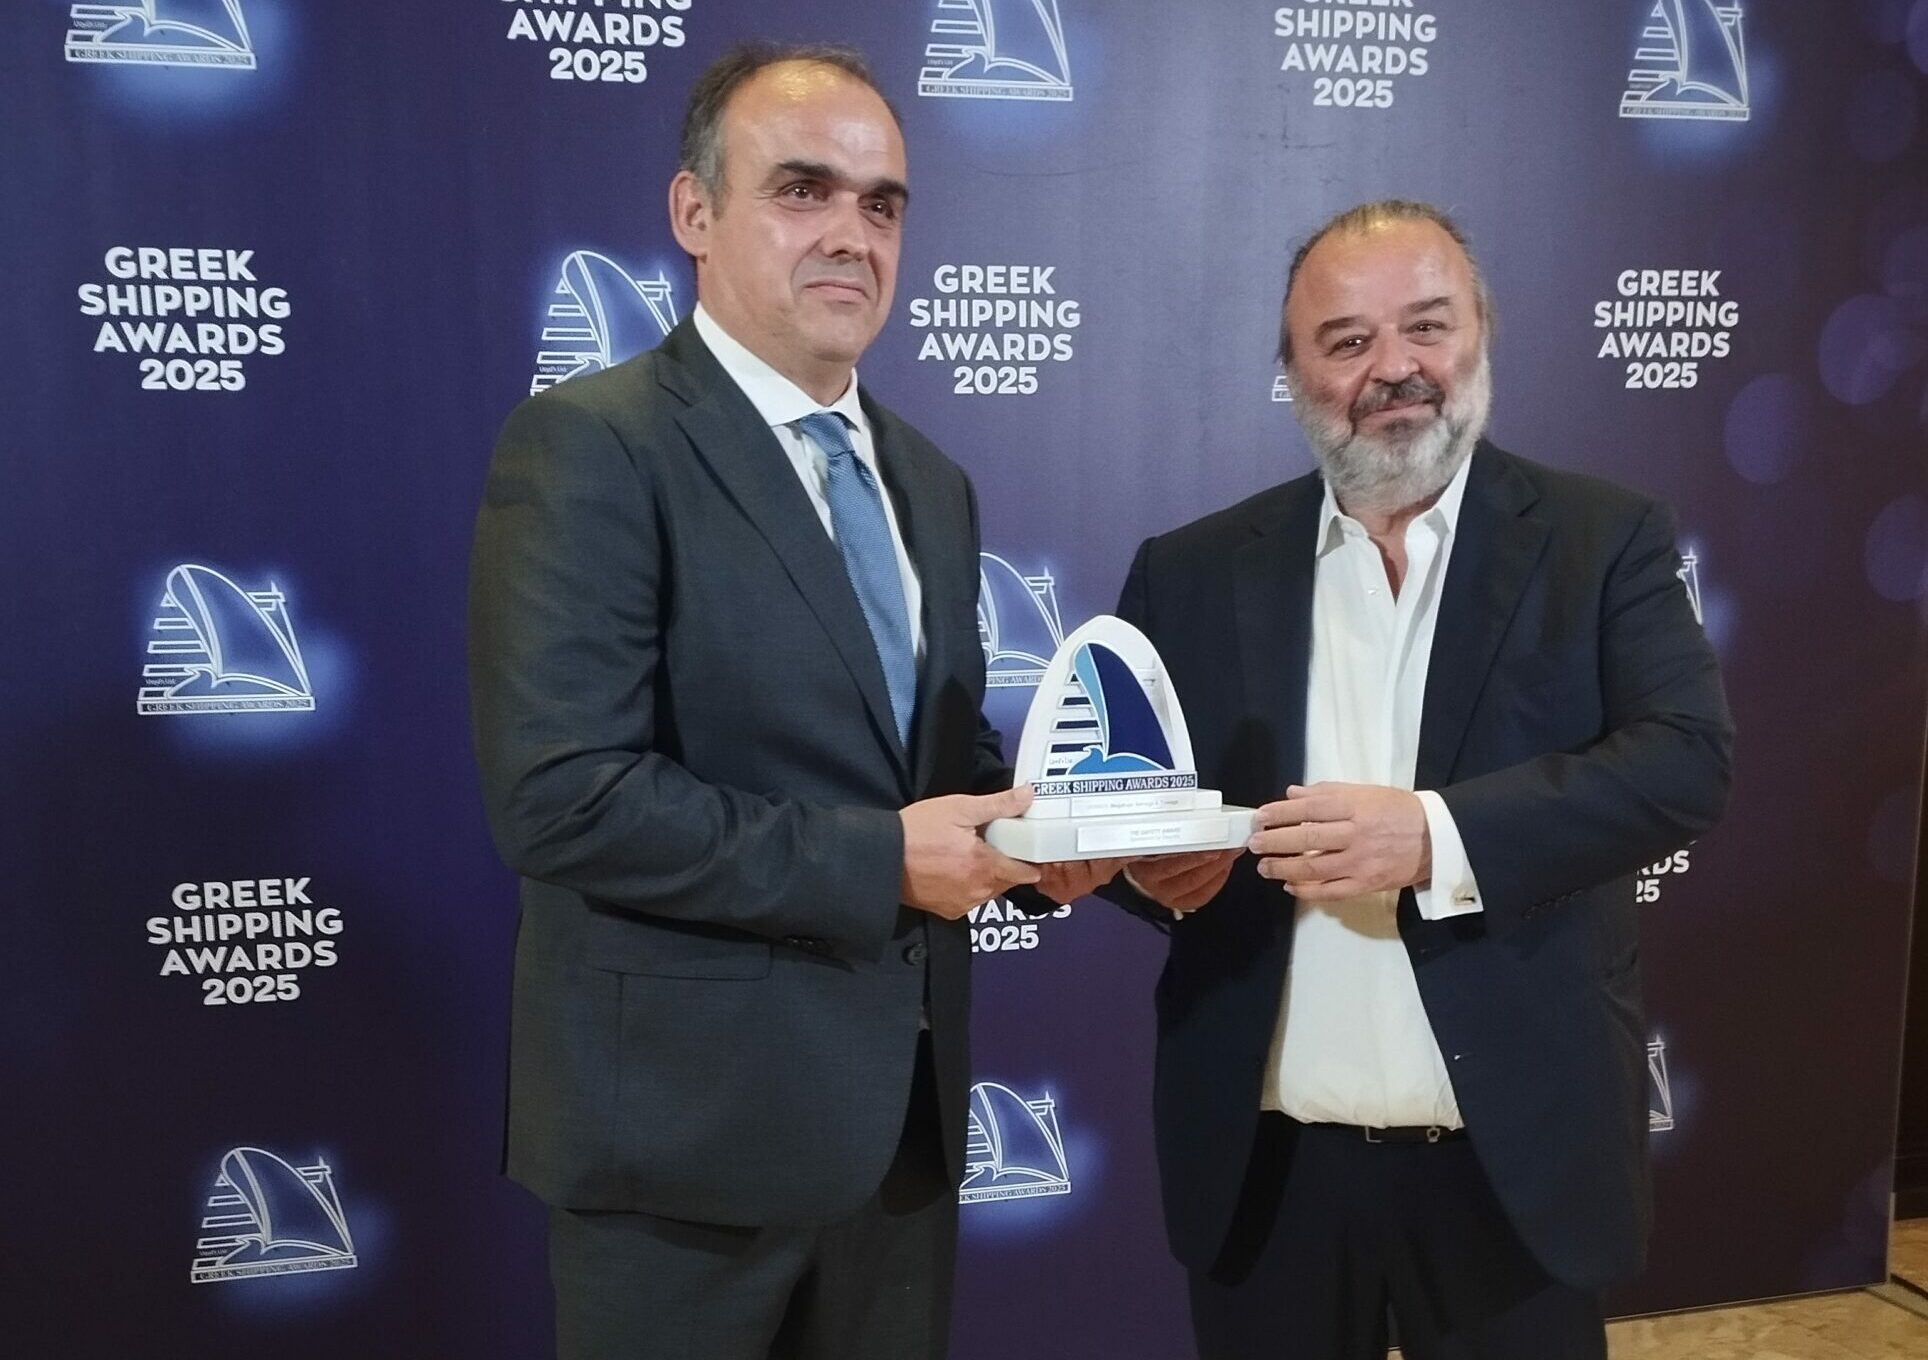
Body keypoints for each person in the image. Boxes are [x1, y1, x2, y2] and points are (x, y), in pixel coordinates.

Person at [467, 43, 1110, 1360]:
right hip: (680, 1163)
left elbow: (924, 757)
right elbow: (562, 798)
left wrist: (1037, 839)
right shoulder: (593, 444)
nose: (850, 235)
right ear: (694, 213)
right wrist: (884, 861)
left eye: (881, 205)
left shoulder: (930, 479)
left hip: (899, 1147)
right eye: (802, 190)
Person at [1108, 200, 1733, 1359]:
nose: (1392, 367)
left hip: (1513, 1167)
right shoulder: (1185, 571)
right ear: (1291, 373)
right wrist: (1147, 873)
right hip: (1266, 1176)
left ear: (1479, 334)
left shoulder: (1601, 538)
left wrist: (1434, 837)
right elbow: (1120, 811)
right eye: (1344, 340)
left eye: (1426, 326)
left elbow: (1685, 761)